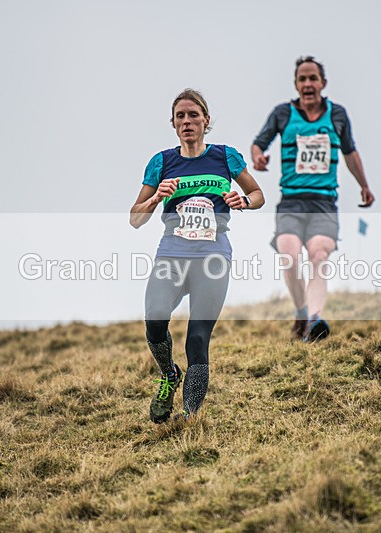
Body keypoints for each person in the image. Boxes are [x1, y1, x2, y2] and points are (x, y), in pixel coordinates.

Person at [130, 89, 264, 423]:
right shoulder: (161, 162)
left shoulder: (224, 157)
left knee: (198, 338)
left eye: (193, 115)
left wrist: (243, 201)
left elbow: (258, 193)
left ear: (206, 120)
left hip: (212, 255)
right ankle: (169, 374)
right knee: (155, 319)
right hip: (172, 255)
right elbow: (135, 218)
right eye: (180, 116)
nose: (187, 121)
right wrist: (154, 199)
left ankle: (189, 414)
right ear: (173, 124)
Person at [251, 56, 374, 341]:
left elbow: (350, 152)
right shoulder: (283, 114)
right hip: (291, 202)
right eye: (302, 79)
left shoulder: (338, 115)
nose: (308, 84)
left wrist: (363, 186)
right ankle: (301, 312)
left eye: (313, 78)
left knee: (319, 255)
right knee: (290, 255)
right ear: (296, 85)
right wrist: (258, 157)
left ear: (323, 83)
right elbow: (259, 143)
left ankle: (315, 320)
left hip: (324, 203)